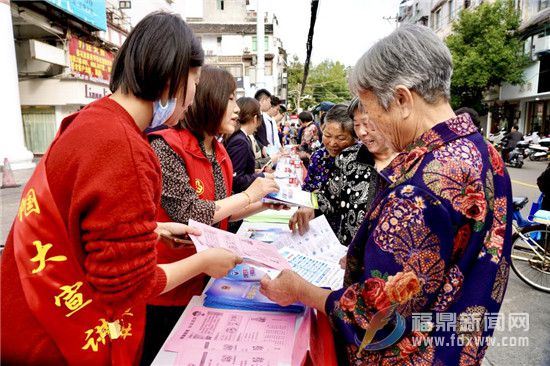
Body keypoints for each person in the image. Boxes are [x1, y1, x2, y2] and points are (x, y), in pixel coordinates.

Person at [260, 24, 512, 365]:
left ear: (402, 99)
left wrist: (298, 289)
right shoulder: (486, 154)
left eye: (371, 109)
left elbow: (373, 318)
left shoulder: (418, 190)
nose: (369, 125)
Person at [1, 12, 242, 365]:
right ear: (172, 78)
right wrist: (205, 261)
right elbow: (130, 286)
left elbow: (79, 217)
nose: (193, 96)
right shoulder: (124, 147)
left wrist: (153, 229)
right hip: (53, 339)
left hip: (23, 309)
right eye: (194, 81)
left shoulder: (93, 119)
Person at [145, 66, 279, 364]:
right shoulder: (166, 147)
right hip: (166, 287)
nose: (236, 109)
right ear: (207, 98)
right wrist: (248, 195)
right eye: (230, 99)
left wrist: (264, 205)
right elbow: (190, 213)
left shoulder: (219, 152)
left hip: (206, 280)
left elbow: (221, 216)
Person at [292, 98, 397, 247]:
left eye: (367, 124)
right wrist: (311, 205)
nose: (361, 132)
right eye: (357, 125)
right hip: (345, 253)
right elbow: (329, 197)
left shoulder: (407, 161)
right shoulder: (348, 157)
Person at [302, 104, 356, 193]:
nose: (332, 143)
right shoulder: (318, 156)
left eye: (341, 138)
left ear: (355, 137)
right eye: (327, 135)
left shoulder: (361, 161)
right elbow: (307, 188)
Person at [225, 97, 274, 194]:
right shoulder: (240, 141)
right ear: (255, 119)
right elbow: (235, 180)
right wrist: (261, 176)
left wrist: (254, 173)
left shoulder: (239, 136)